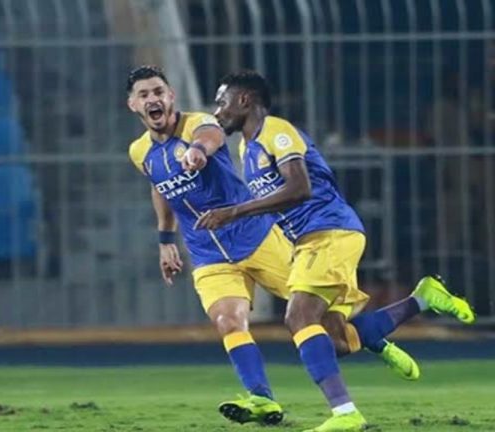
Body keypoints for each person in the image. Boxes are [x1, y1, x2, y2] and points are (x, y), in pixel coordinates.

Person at [125, 65, 419, 426]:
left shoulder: (198, 123)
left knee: (324, 323)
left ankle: (377, 339)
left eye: (158, 91)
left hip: (259, 237)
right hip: (208, 253)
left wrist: (198, 150)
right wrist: (165, 239)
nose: (153, 99)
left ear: (171, 96)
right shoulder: (139, 151)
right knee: (228, 321)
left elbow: (209, 135)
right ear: (132, 105)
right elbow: (159, 187)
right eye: (144, 94)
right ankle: (262, 399)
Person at [197, 69, 476, 431]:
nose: (217, 111)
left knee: (299, 317)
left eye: (222, 102)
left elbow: (300, 188)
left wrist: (234, 212)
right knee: (337, 340)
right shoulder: (245, 149)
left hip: (330, 231)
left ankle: (346, 414)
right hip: (308, 241)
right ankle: (422, 299)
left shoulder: (276, 131)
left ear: (244, 100)